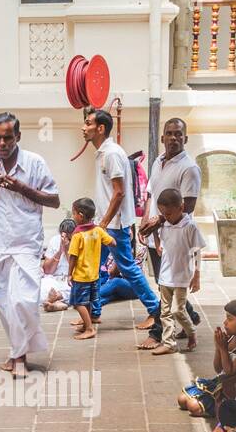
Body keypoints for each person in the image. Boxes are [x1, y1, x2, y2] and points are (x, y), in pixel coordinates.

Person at [0, 113, 60, 373]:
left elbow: (54, 200)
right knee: (7, 304)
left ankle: (19, 357)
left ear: (18, 137)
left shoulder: (34, 163)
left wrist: (23, 188)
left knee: (25, 301)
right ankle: (17, 352)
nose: (2, 143)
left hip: (27, 242)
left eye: (7, 137)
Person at [79, 108, 160, 332]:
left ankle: (155, 311)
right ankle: (93, 313)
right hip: (105, 224)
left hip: (114, 226)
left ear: (101, 128)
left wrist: (103, 223)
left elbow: (119, 192)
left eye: (88, 123)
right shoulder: (104, 152)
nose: (83, 128)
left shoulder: (112, 153)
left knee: (128, 268)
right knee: (93, 267)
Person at [137, 117, 203, 347]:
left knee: (166, 285)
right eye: (169, 133)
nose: (173, 138)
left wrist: (158, 221)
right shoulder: (158, 161)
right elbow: (151, 194)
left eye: (178, 134)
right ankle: (190, 317)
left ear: (185, 138)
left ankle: (159, 333)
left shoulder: (189, 168)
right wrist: (147, 219)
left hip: (177, 237)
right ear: (163, 137)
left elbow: (189, 206)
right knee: (165, 282)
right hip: (158, 233)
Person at [179, 300, 236, 418]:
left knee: (193, 406)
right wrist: (218, 347)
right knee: (182, 400)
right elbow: (218, 369)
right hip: (222, 382)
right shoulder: (232, 337)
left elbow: (229, 372)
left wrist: (223, 349)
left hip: (235, 389)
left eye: (229, 319)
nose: (225, 323)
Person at [147, 188, 204, 356]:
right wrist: (155, 232)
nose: (166, 217)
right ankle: (169, 343)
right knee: (165, 312)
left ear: (181, 207)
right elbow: (159, 250)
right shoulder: (164, 225)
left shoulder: (190, 226)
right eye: (163, 213)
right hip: (165, 276)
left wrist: (197, 275)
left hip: (181, 276)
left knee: (178, 310)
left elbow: (197, 251)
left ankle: (191, 331)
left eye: (169, 213)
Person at [65, 197, 113, 341]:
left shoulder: (77, 235)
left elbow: (72, 256)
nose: (73, 216)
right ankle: (87, 324)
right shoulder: (98, 230)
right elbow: (113, 242)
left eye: (73, 213)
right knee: (89, 301)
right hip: (94, 275)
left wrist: (69, 274)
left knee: (78, 303)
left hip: (81, 276)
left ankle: (90, 329)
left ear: (80, 215)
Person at [41, 217, 75, 312]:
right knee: (43, 286)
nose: (66, 239)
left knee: (74, 290)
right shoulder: (54, 240)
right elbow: (47, 270)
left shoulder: (78, 241)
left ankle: (56, 299)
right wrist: (60, 251)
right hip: (54, 279)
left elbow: (75, 269)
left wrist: (68, 249)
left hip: (70, 279)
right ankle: (57, 302)